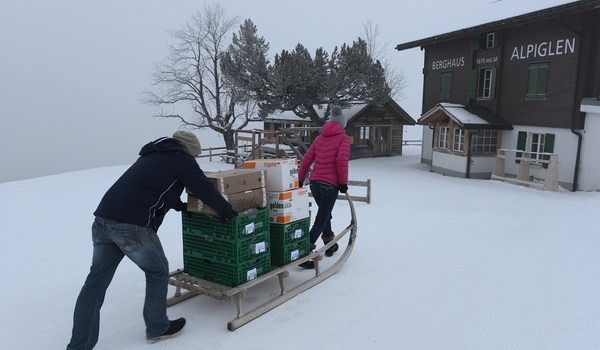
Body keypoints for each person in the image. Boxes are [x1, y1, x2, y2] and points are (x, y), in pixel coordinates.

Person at [66, 131, 238, 349]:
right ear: (189, 151)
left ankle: (79, 346)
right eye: (195, 156)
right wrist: (226, 211)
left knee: (95, 283)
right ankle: (157, 327)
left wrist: (180, 206)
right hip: (131, 226)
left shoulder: (154, 155)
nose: (194, 160)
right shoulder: (181, 159)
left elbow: (152, 185)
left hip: (103, 220)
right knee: (157, 270)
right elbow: (203, 187)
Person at [297, 105, 350, 269]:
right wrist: (342, 183)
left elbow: (307, 158)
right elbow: (341, 161)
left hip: (315, 184)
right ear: (342, 124)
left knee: (324, 214)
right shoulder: (343, 139)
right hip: (330, 185)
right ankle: (303, 251)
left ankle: (329, 242)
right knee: (321, 218)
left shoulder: (319, 138)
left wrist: (300, 179)